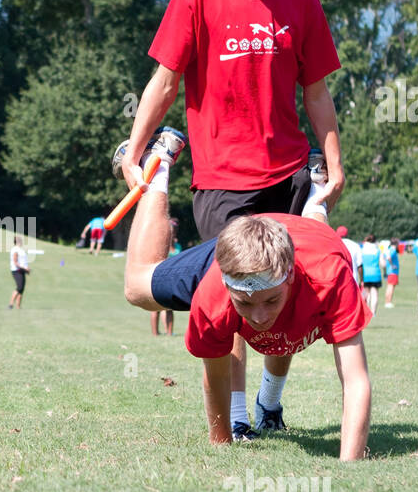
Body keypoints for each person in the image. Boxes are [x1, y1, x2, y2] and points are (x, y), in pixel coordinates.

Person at [116, 0, 346, 438]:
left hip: (289, 174)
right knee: (235, 298)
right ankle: (237, 419)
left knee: (285, 295)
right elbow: (165, 80)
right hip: (222, 182)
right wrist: (137, 145)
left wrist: (334, 163)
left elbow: (316, 92)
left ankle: (271, 401)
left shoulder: (301, 1)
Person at [121, 182, 371, 458]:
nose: (259, 317)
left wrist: (350, 467)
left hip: (315, 243)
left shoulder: (330, 277)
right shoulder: (212, 296)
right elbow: (216, 378)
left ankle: (316, 197)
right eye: (245, 303)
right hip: (242, 247)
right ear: (228, 289)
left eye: (271, 300)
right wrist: (222, 447)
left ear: (289, 277)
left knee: (316, 231)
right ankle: (159, 170)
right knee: (135, 289)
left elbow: (355, 379)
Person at [150, 219, 183, 336]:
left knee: (170, 308)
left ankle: (170, 333)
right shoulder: (159, 245)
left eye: (173, 232)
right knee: (155, 307)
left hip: (172, 279)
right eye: (169, 232)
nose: (171, 234)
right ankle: (155, 333)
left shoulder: (178, 246)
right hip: (159, 278)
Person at [359, 233, 382, 313]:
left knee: (366, 293)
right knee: (374, 293)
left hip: (365, 274)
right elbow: (383, 263)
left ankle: (366, 311)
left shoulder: (363, 250)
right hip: (376, 274)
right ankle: (373, 312)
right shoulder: (377, 250)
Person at [9, 235, 30, 309]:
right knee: (19, 287)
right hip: (17, 270)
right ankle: (11, 304)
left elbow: (23, 261)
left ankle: (18, 306)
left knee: (22, 289)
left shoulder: (21, 250)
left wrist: (27, 268)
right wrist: (25, 268)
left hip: (22, 270)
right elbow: (15, 262)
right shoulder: (15, 250)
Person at [382, 238, 401, 308]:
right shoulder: (393, 250)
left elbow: (384, 256)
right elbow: (388, 258)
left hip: (389, 271)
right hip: (393, 271)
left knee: (389, 287)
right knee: (391, 287)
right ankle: (388, 302)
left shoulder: (388, 250)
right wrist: (392, 265)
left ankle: (387, 302)